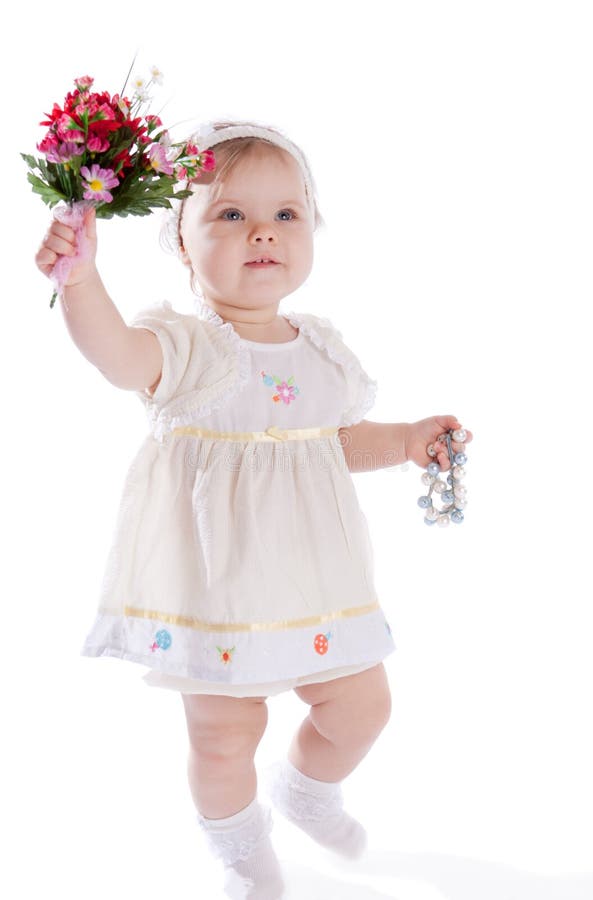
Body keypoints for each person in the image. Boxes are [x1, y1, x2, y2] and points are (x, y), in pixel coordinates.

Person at [35, 119, 473, 900]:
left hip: (314, 579)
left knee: (363, 704)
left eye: (286, 214)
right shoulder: (184, 346)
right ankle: (239, 844)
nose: (261, 233)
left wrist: (405, 439)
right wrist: (80, 281)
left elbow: (332, 440)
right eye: (230, 215)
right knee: (223, 735)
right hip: (217, 584)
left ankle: (307, 788)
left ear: (311, 232)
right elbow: (115, 355)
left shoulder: (322, 349)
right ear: (181, 241)